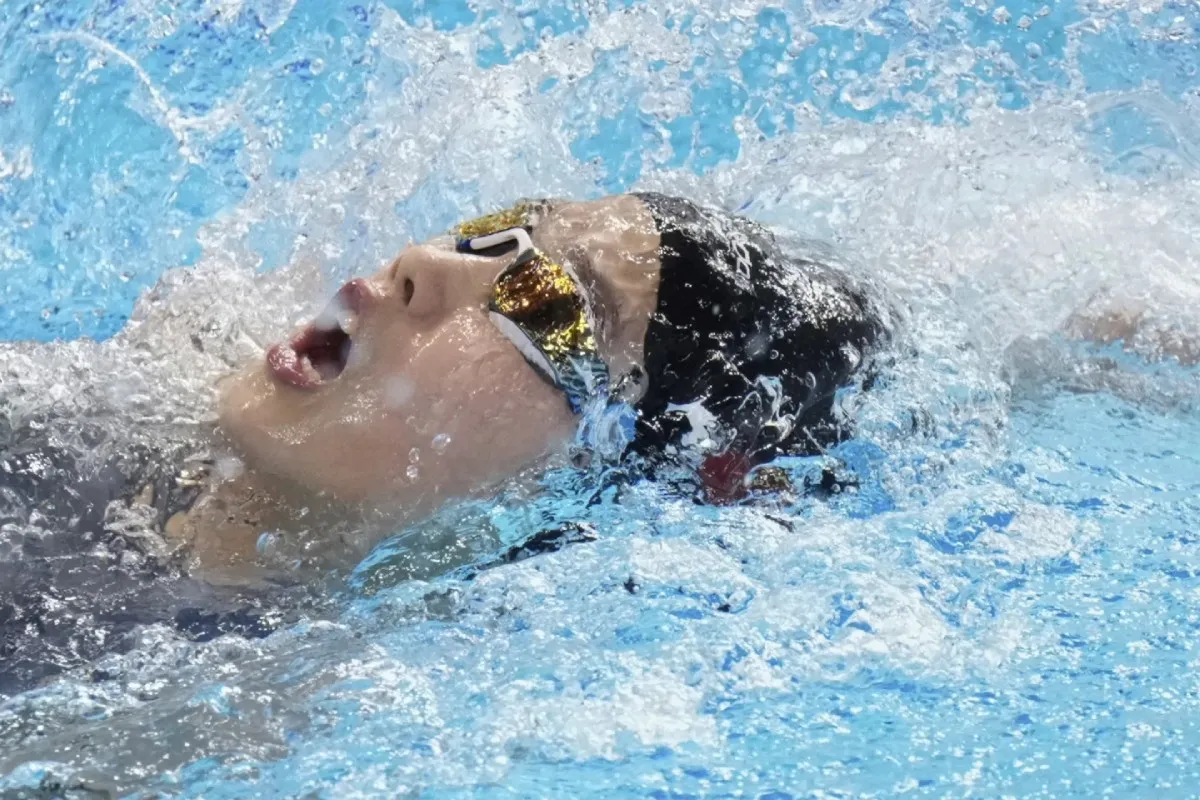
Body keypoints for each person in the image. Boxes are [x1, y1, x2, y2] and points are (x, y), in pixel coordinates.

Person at [0, 193, 888, 694]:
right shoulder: (55, 405)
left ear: (597, 471)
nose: (423, 264)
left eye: (551, 298)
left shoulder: (189, 714)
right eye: (498, 229)